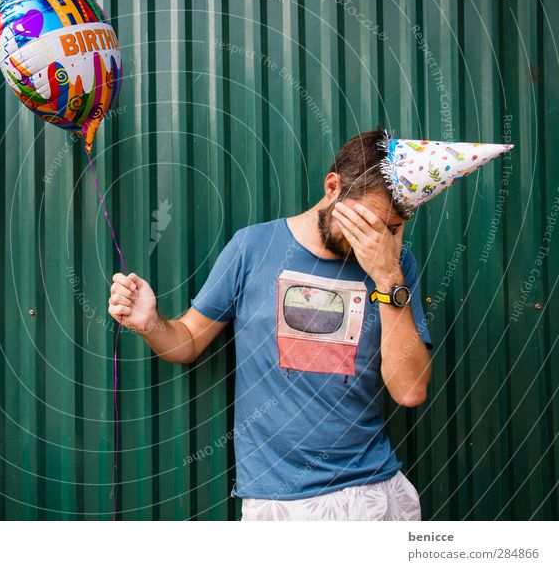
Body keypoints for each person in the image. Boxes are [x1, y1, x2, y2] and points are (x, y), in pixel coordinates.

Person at [108, 128, 433, 521]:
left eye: (393, 229)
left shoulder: (396, 266)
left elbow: (410, 391)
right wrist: (150, 323)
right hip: (277, 502)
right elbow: (189, 341)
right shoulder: (252, 247)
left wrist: (388, 280)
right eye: (370, 223)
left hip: (372, 495)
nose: (379, 239)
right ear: (333, 187)